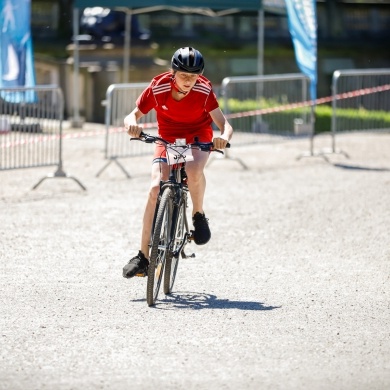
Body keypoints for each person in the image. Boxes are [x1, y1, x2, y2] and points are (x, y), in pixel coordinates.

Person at [122, 46, 233, 279]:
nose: (188, 81)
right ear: (173, 72)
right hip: (168, 137)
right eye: (184, 75)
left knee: (193, 170)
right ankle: (142, 256)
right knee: (155, 188)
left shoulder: (204, 89)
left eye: (193, 76)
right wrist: (132, 124)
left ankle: (198, 214)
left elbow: (225, 125)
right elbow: (132, 115)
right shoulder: (158, 86)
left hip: (197, 135)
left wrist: (223, 138)